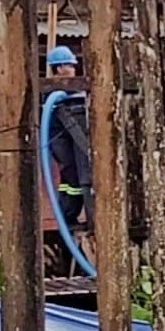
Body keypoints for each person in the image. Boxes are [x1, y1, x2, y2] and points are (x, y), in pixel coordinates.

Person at [45, 46, 93, 253]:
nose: (73, 68)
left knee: (73, 178)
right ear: (59, 68)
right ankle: (67, 217)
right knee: (72, 177)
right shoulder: (54, 92)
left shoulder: (71, 90)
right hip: (62, 141)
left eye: (73, 65)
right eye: (69, 65)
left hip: (70, 142)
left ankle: (69, 217)